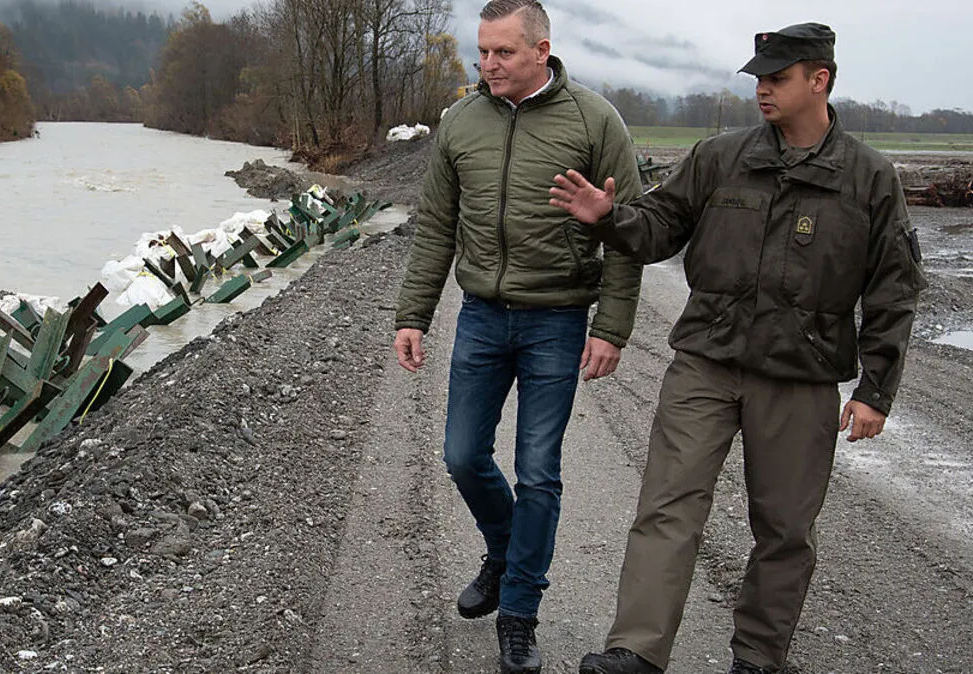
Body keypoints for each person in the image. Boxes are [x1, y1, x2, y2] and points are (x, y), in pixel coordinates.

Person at [548, 22, 927, 674]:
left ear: (820, 79)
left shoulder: (868, 178)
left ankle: (758, 658)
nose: (762, 90)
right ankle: (636, 651)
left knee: (785, 530)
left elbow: (895, 288)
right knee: (667, 506)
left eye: (777, 78)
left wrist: (875, 390)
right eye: (758, 78)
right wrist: (610, 217)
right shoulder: (721, 157)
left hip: (801, 374)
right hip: (707, 360)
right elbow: (661, 226)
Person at [393, 0, 644, 671]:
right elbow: (436, 227)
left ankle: (520, 612)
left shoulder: (594, 121)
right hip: (481, 314)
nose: (488, 64)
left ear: (541, 50)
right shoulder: (461, 122)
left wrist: (612, 328)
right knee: (461, 456)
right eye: (482, 51)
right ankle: (506, 552)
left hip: (556, 321)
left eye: (503, 51)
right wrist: (413, 315)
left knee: (537, 471)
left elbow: (628, 233)